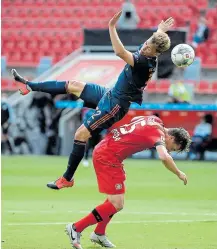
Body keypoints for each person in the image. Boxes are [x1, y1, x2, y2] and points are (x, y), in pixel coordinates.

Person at [11, 11, 174, 190]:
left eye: (149, 47)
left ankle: (67, 178)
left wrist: (111, 26)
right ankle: (29, 85)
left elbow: (119, 51)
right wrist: (160, 30)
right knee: (73, 84)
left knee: (80, 134)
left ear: (155, 53)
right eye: (148, 42)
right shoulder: (150, 50)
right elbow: (153, 41)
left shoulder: (145, 63)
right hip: (110, 94)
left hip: (115, 105)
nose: (145, 47)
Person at [64, 115, 191, 249]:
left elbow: (134, 120)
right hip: (107, 156)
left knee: (114, 200)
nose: (170, 150)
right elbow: (164, 156)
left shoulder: (155, 120)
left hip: (110, 152)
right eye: (174, 148)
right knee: (117, 204)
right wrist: (179, 173)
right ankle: (76, 228)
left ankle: (99, 233)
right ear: (171, 138)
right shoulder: (158, 134)